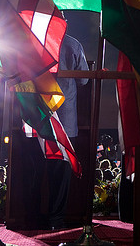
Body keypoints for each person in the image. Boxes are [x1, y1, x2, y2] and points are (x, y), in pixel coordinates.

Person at [46, 33, 89, 229]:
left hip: (40, 116)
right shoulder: (73, 44)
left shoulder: (39, 40)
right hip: (66, 118)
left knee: (40, 170)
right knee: (61, 172)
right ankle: (56, 220)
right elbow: (84, 81)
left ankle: (33, 217)